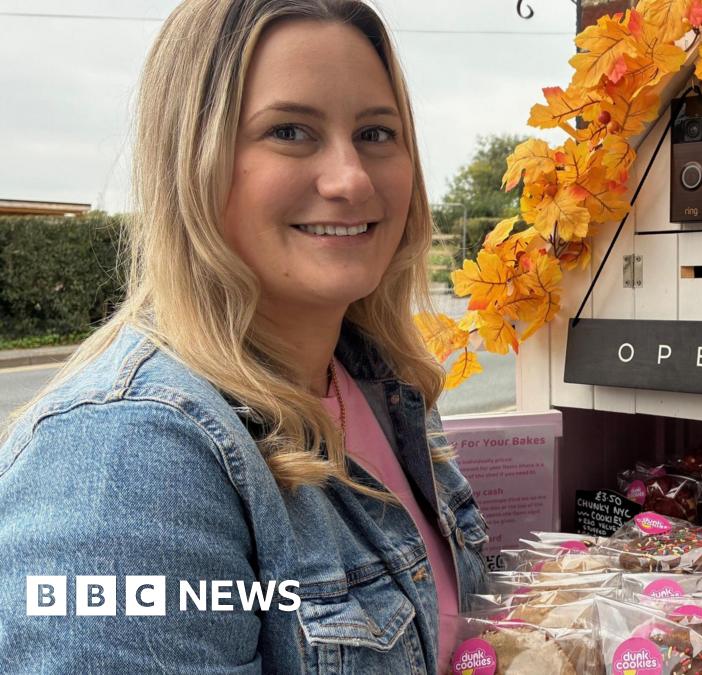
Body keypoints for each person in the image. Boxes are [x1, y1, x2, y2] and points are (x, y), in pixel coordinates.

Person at [0, 1, 489, 672]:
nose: (351, 178)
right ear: (191, 162)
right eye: (291, 130)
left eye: (377, 133)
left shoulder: (382, 381)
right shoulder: (133, 456)